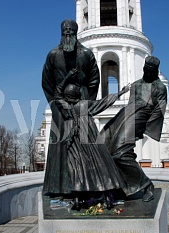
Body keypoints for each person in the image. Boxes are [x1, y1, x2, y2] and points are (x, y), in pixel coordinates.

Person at [42, 19, 100, 194]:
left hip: (81, 102)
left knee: (86, 142)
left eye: (71, 33)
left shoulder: (86, 54)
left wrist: (86, 102)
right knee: (60, 144)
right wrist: (55, 105)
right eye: (64, 33)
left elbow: (94, 80)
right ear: (61, 34)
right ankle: (58, 187)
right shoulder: (53, 55)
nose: (68, 35)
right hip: (60, 106)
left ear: (76, 34)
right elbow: (46, 82)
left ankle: (87, 186)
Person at [53, 78, 130, 210]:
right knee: (100, 165)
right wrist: (120, 93)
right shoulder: (84, 105)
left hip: (74, 140)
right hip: (91, 139)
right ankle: (107, 197)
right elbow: (103, 103)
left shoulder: (66, 108)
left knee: (76, 168)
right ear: (77, 94)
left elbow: (57, 94)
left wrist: (67, 77)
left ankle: (77, 199)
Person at [100, 56, 167, 201]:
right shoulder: (136, 85)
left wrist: (143, 128)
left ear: (155, 73)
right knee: (101, 144)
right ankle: (119, 187)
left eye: (150, 72)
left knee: (120, 154)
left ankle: (146, 185)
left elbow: (159, 111)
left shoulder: (160, 88)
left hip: (140, 117)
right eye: (145, 71)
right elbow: (131, 105)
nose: (147, 74)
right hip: (126, 114)